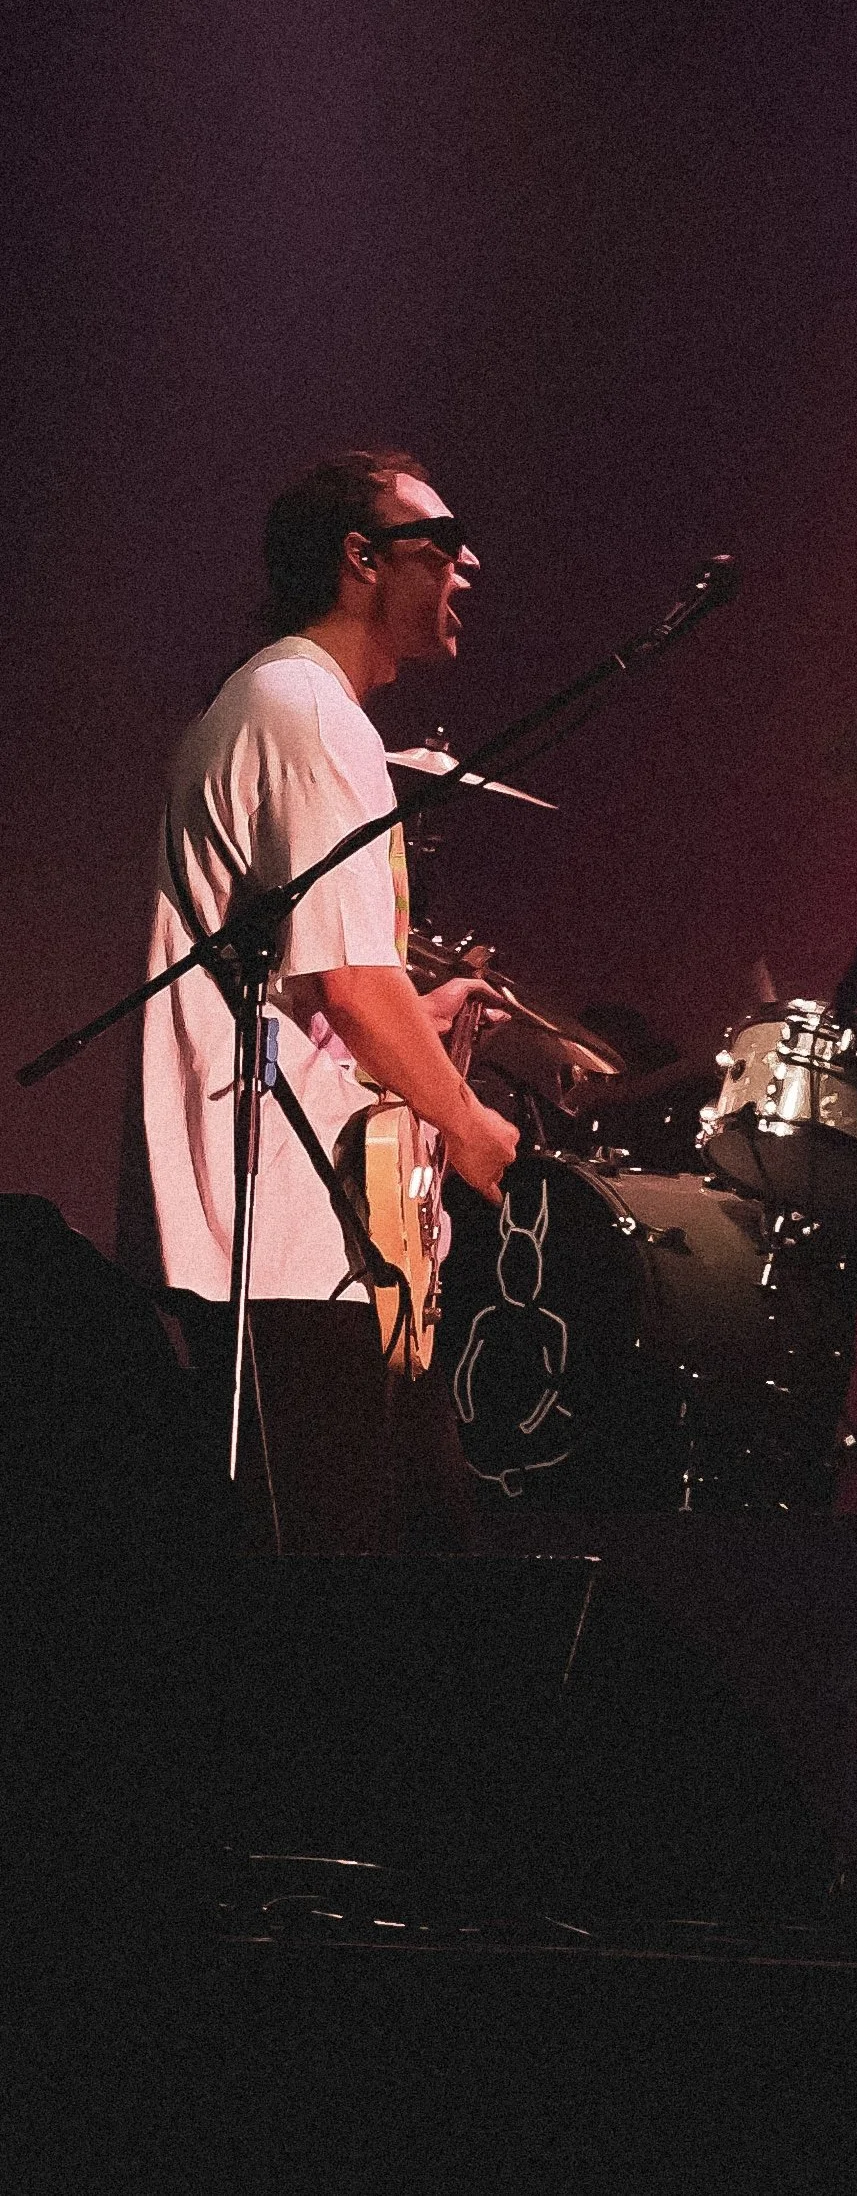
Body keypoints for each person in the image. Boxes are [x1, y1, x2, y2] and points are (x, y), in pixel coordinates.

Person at [121, 448, 518, 1548]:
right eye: (441, 541)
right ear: (361, 558)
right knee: (344, 1568)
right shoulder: (308, 710)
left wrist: (415, 1025)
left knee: (383, 1548)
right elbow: (349, 982)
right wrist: (467, 1123)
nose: (467, 566)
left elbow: (302, 983)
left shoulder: (278, 698)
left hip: (297, 1224)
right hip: (286, 1231)